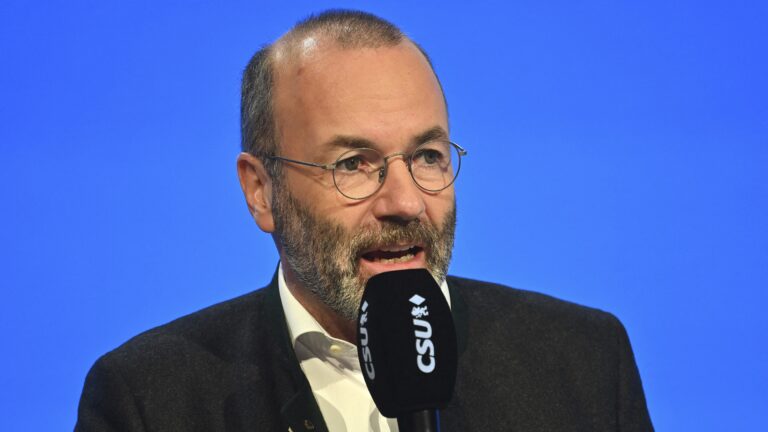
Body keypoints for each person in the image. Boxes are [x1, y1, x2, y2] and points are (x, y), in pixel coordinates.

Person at [76, 10, 653, 432]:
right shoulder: (149, 401)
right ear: (261, 191)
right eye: (354, 164)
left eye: (428, 155)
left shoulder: (584, 360)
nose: (405, 202)